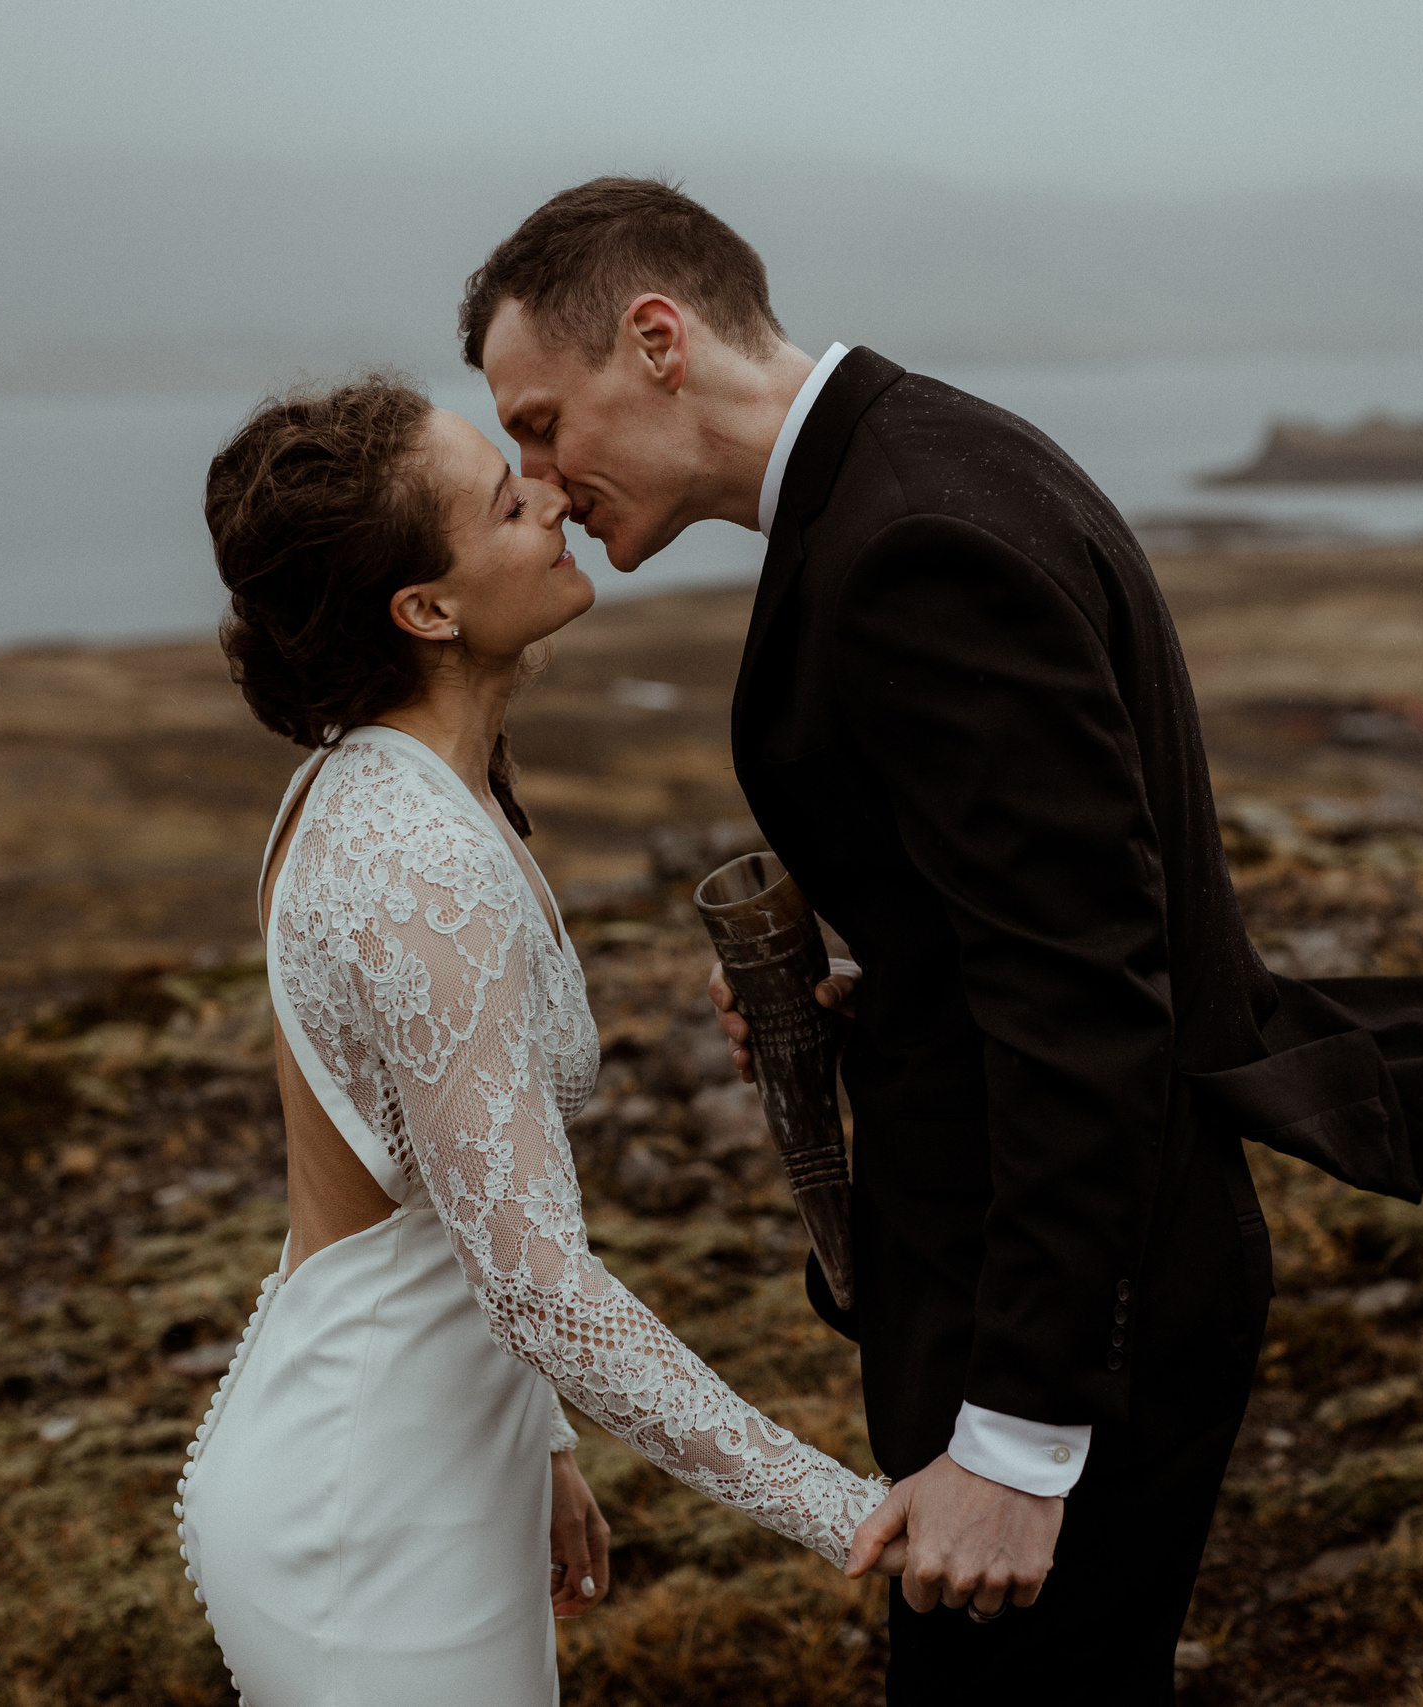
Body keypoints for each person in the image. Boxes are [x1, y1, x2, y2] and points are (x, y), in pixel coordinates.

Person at [458, 178, 1423, 1704]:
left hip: (1071, 1331)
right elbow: (1037, 922)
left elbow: (1086, 996)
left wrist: (1020, 1438)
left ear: (659, 341)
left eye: (543, 423)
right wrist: (885, 993)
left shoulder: (913, 546)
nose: (539, 481)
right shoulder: (920, 458)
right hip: (1050, 1279)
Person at [172, 375, 901, 1707]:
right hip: (371, 1517)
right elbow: (535, 1287)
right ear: (427, 611)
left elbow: (443, 1197)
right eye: (510, 504)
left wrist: (539, 1446)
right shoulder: (414, 860)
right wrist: (847, 1510)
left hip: (432, 1463)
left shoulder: (389, 786)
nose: (554, 496)